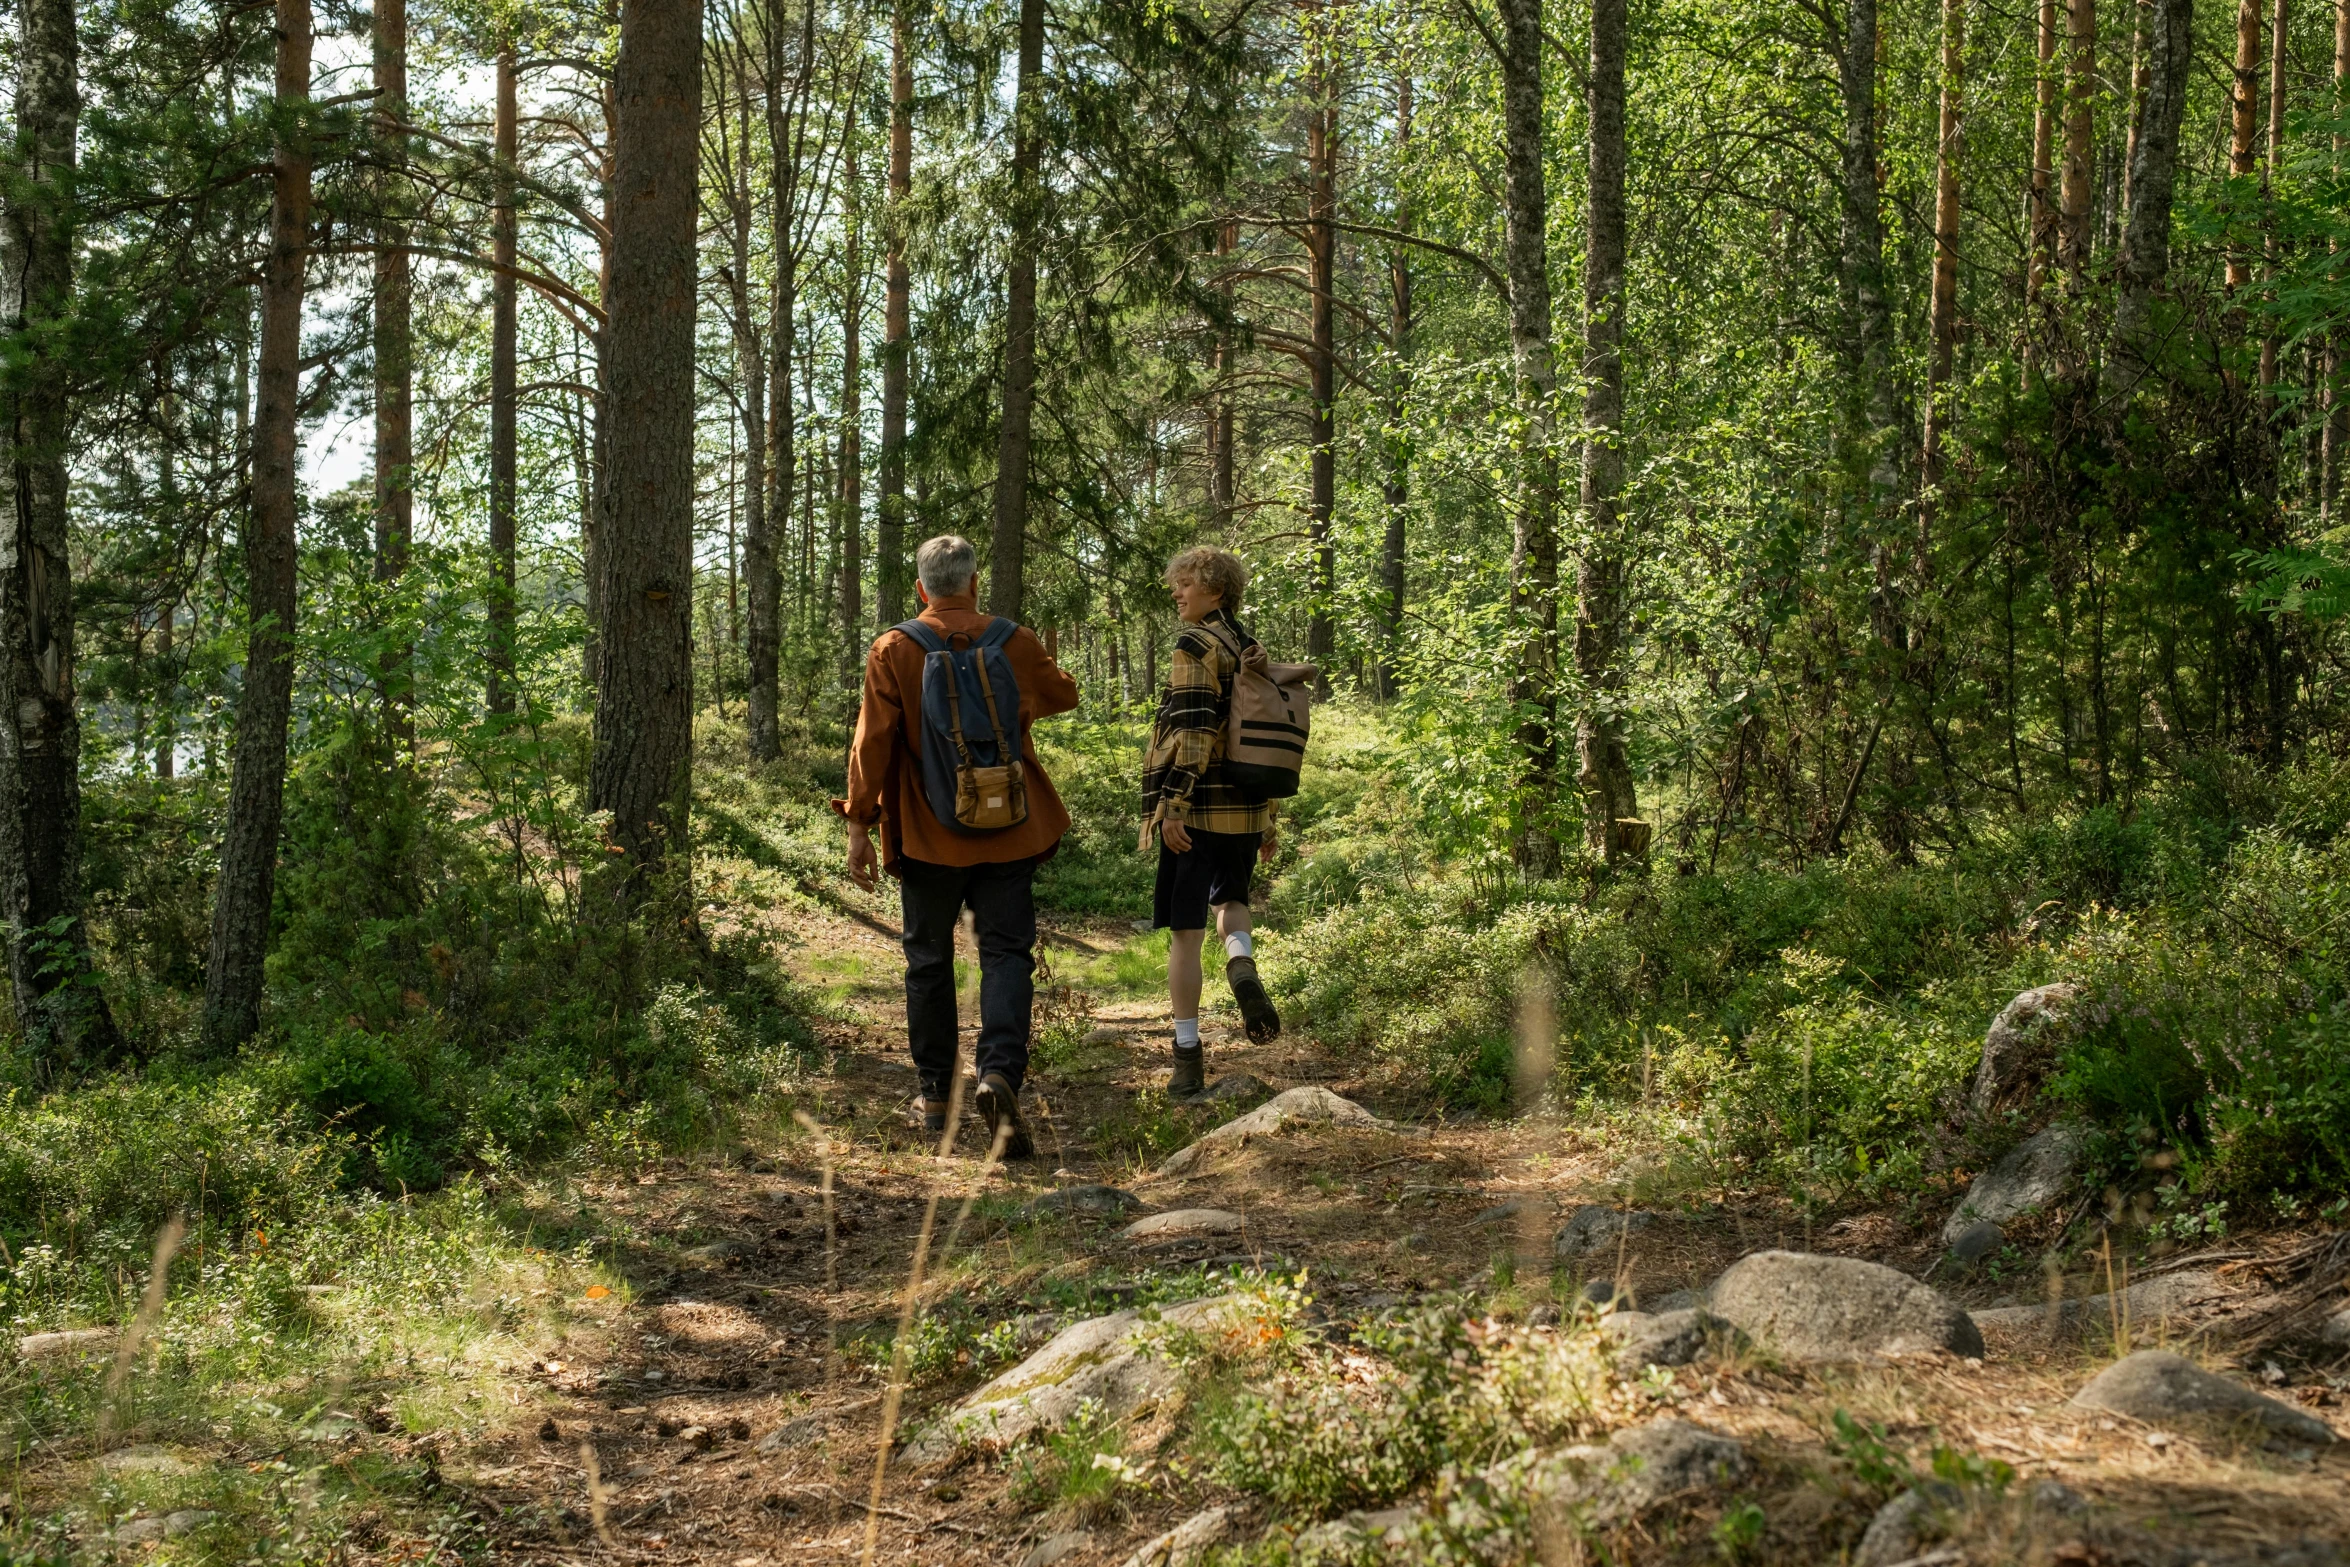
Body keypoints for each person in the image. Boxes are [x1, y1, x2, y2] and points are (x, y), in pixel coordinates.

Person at [837, 535, 1080, 1156]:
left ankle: (936, 1093)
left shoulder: (893, 648)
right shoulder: (1013, 640)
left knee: (927, 959)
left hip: (925, 832)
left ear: (922, 588)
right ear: (973, 583)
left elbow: (872, 745)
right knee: (1005, 952)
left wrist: (860, 822)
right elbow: (1063, 695)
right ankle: (1000, 1073)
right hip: (1008, 827)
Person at [1140, 546, 1282, 1098]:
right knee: (1232, 901)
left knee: (1185, 936)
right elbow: (1265, 732)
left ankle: (1188, 1057)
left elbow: (1196, 732)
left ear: (1216, 590)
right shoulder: (1249, 646)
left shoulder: (1195, 643)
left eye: (1187, 583)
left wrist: (1173, 806)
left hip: (1197, 810)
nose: (1177, 591)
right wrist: (1269, 817)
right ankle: (1242, 962)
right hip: (1246, 806)